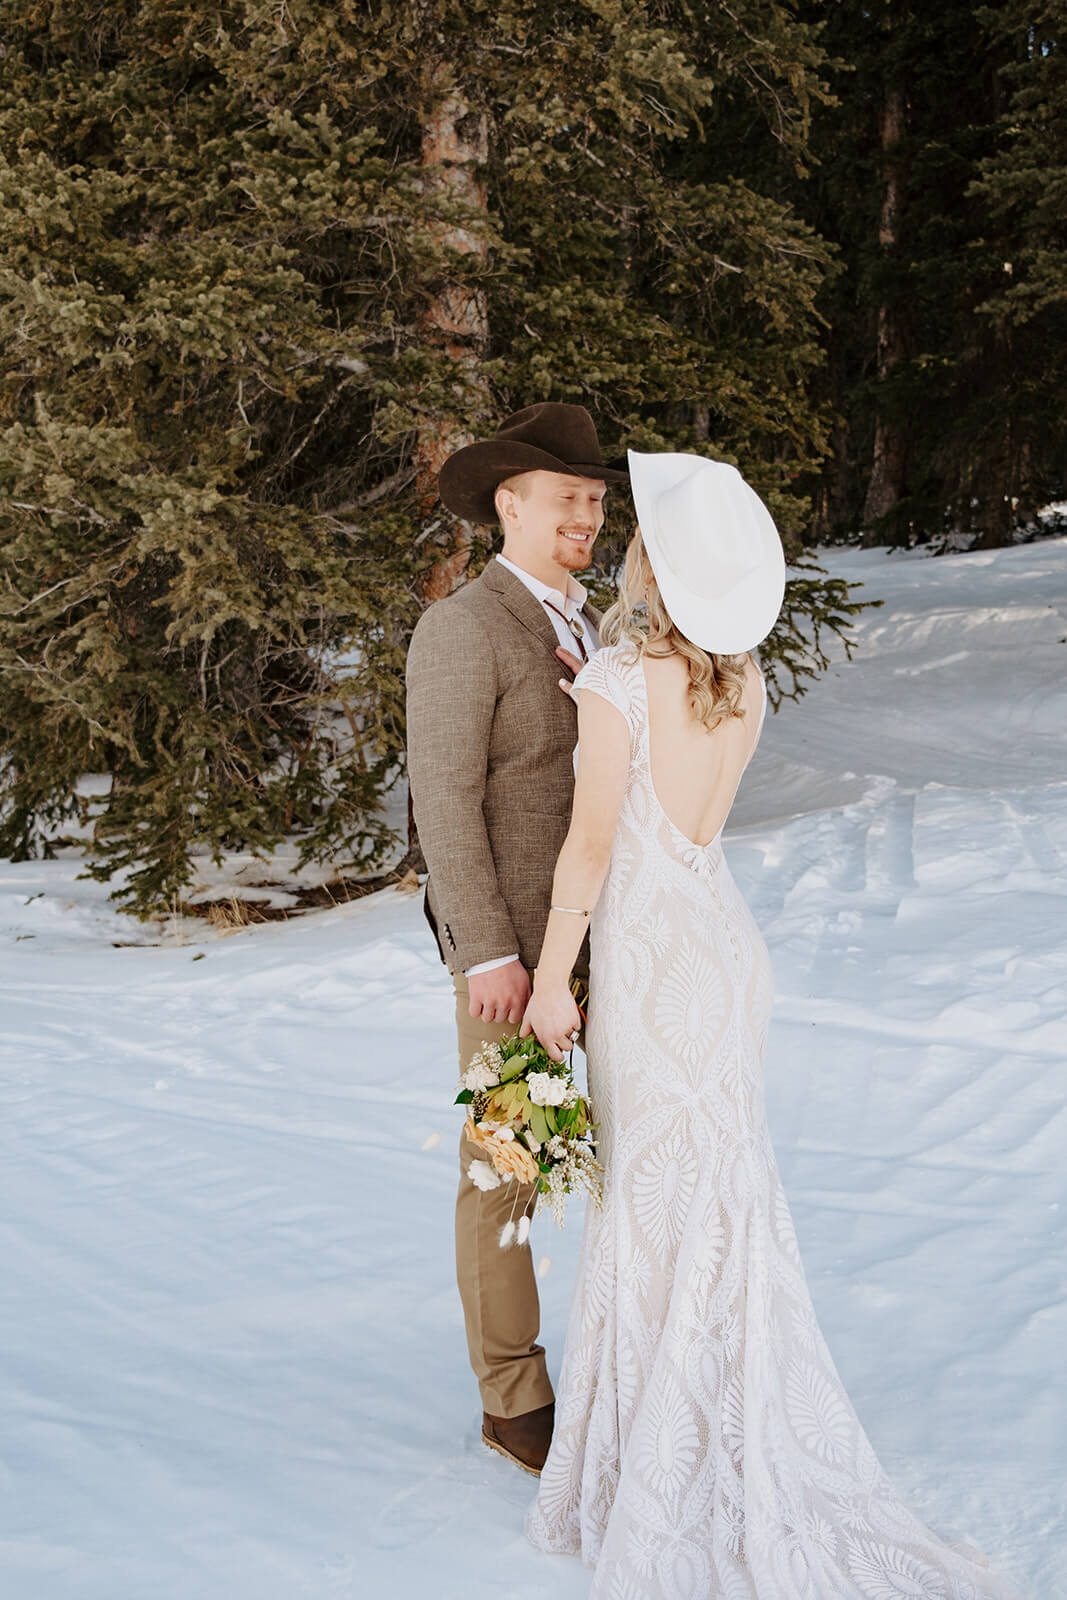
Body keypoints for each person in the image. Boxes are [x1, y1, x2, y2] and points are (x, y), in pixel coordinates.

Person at [522, 451, 1026, 1598]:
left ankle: (658, 1449)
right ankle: (716, 1412)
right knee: (716, 1196)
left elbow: (590, 851)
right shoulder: (741, 682)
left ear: (657, 562)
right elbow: (669, 772)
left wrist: (553, 981)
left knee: (651, 1198)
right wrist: (597, 683)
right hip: (721, 952)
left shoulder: (613, 680)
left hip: (650, 966)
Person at [405, 402, 628, 1475]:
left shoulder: (595, 626)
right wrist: (484, 952)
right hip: (514, 969)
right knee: (508, 1173)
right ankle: (512, 1393)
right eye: (566, 498)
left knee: (624, 1161)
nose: (586, 513)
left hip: (611, 952)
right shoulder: (463, 627)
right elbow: (442, 804)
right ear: (509, 503)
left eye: (594, 498)